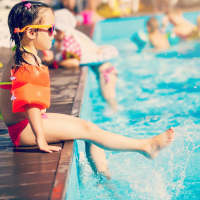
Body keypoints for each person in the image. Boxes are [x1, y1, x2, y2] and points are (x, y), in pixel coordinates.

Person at [0, 1, 174, 179]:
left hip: (27, 124)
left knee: (88, 126)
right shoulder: (25, 61)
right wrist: (40, 139)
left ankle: (104, 176)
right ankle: (144, 146)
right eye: (51, 29)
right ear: (30, 32)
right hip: (24, 131)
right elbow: (31, 104)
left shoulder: (25, 54)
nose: (54, 34)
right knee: (88, 130)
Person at [42, 8, 118, 111]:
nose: (53, 33)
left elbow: (74, 62)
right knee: (107, 99)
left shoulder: (69, 42)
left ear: (62, 30)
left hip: (105, 73)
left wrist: (56, 62)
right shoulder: (72, 35)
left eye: (55, 30)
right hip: (107, 71)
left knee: (109, 99)